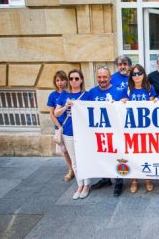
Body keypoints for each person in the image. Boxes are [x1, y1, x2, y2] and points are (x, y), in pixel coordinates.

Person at [89, 66, 128, 197]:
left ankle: (119, 182)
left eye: (105, 77)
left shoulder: (119, 91)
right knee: (101, 155)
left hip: (115, 131)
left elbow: (127, 106)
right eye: (99, 77)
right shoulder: (91, 92)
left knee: (116, 155)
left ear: (110, 77)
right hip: (98, 132)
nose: (102, 79)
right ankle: (105, 179)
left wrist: (125, 101)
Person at [54, 70, 91, 200]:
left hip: (83, 133)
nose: (73, 81)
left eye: (76, 78)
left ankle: (86, 185)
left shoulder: (87, 95)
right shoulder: (64, 95)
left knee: (84, 159)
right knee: (74, 162)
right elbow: (56, 113)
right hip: (68, 133)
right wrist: (65, 106)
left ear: (81, 80)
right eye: (71, 79)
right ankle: (79, 184)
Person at [127, 64, 156, 194]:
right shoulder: (128, 90)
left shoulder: (150, 88)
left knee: (147, 154)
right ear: (131, 76)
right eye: (134, 74)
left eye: (139, 73)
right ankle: (134, 180)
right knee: (133, 154)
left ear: (143, 74)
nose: (137, 76)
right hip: (132, 128)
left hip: (146, 127)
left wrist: (155, 101)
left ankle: (148, 179)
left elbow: (152, 104)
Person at [47, 70, 74, 182]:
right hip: (60, 127)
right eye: (57, 80)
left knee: (73, 150)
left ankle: (76, 168)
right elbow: (52, 114)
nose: (60, 82)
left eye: (62, 80)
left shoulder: (70, 93)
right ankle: (71, 170)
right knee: (65, 151)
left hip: (70, 126)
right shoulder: (53, 95)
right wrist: (59, 126)